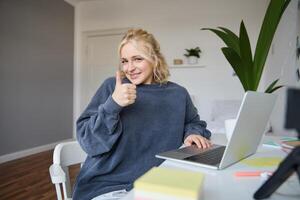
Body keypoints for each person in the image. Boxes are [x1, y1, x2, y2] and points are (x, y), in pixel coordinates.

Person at [73, 28, 212, 200]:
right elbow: (89, 143)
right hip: (109, 186)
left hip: (159, 182)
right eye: (124, 61)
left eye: (137, 59)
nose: (129, 68)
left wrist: (192, 133)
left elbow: (193, 122)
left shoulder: (178, 93)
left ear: (155, 59)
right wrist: (113, 104)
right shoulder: (113, 88)